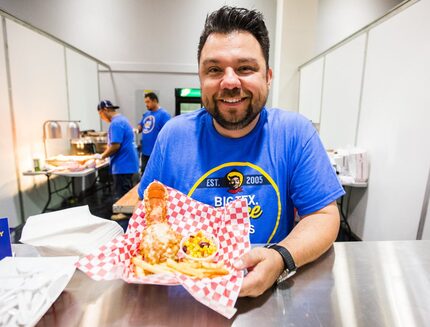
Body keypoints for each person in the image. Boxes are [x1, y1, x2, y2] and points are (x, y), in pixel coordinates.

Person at [137, 6, 345, 297]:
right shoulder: (173, 136)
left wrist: (281, 258)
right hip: (188, 297)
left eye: (245, 68)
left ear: (268, 76)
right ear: (200, 78)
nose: (230, 82)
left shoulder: (295, 133)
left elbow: (323, 216)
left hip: (273, 296)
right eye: (214, 70)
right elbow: (149, 214)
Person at [96, 100, 139, 203]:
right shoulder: (122, 120)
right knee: (126, 194)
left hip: (123, 166)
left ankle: (124, 217)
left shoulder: (115, 123)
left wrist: (102, 156)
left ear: (104, 110)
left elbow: (115, 146)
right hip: (128, 163)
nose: (101, 118)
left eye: (100, 115)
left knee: (123, 196)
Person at [137, 92, 171, 174]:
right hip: (145, 151)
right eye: (145, 102)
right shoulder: (146, 114)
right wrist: (136, 129)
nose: (146, 104)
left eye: (148, 102)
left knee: (155, 175)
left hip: (156, 152)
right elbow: (140, 126)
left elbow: (168, 132)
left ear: (155, 101)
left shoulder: (164, 114)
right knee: (144, 174)